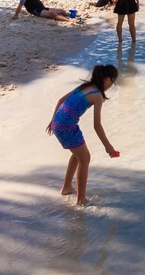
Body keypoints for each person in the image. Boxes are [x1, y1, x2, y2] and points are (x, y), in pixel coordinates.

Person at [47, 65, 119, 206]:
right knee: (85, 159)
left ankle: (66, 187)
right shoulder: (97, 95)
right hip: (67, 127)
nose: (112, 85)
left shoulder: (84, 86)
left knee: (78, 154)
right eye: (113, 81)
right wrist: (108, 146)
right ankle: (81, 200)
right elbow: (96, 125)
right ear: (106, 80)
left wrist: (53, 121)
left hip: (58, 123)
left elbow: (60, 100)